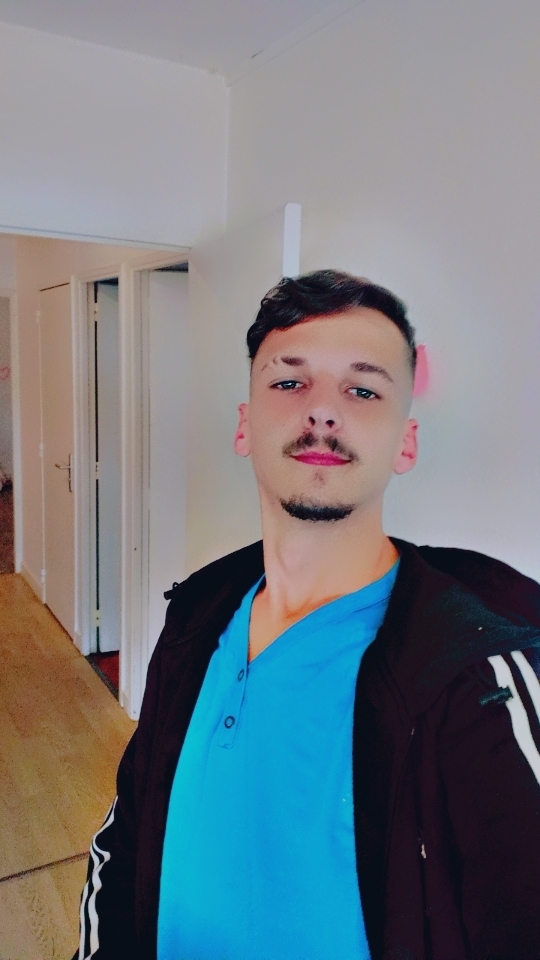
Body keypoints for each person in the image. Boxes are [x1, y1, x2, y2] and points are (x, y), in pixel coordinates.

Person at [74, 270, 540, 960]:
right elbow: (126, 832)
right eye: (290, 382)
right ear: (245, 426)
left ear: (405, 443)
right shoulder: (196, 620)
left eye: (363, 390)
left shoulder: (478, 683)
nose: (323, 411)